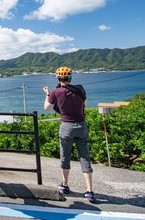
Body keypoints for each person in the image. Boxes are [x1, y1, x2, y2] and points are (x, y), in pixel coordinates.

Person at [43, 66, 95, 203]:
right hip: (81, 126)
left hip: (66, 127)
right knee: (85, 157)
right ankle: (89, 191)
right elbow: (86, 104)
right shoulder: (80, 89)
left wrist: (47, 94)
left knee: (65, 156)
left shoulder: (55, 92)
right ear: (70, 78)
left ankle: (65, 185)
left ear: (58, 78)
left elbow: (46, 108)